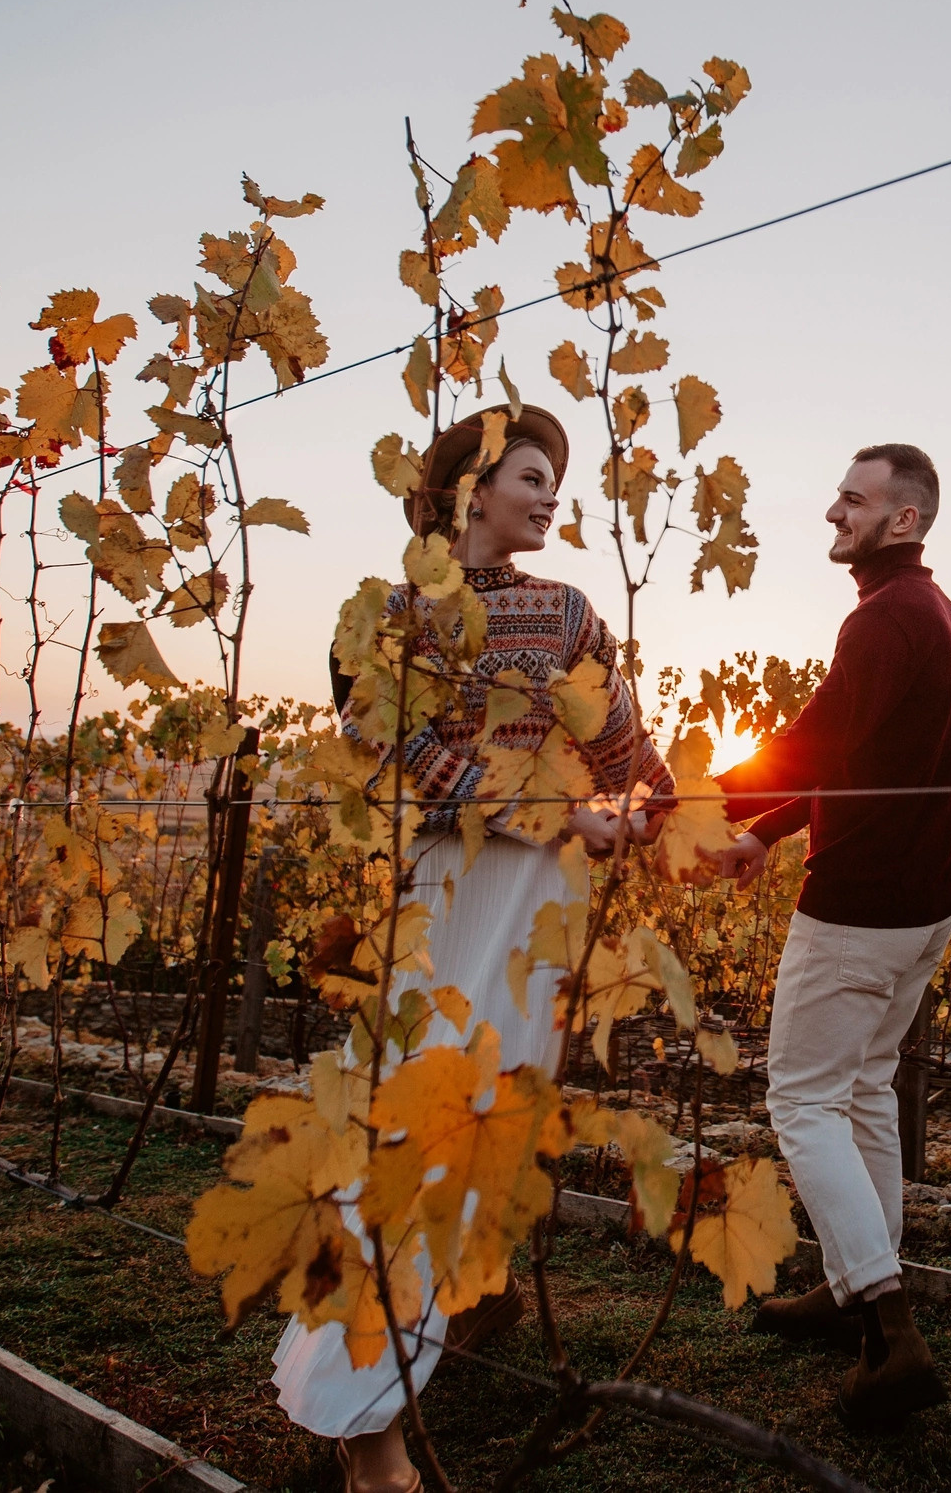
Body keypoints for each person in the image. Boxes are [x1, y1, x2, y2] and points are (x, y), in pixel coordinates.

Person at [276, 403, 669, 1493]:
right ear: (472, 492)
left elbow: (632, 751)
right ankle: (371, 1433)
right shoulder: (398, 615)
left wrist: (683, 825)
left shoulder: (572, 611)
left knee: (486, 1139)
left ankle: (415, 1360)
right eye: (533, 476)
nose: (552, 496)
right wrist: (554, 817)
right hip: (450, 888)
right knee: (409, 1136)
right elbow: (392, 746)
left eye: (557, 479)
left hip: (539, 909)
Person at [710, 443, 951, 1425]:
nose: (833, 512)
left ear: (902, 520)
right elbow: (865, 760)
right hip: (920, 911)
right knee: (862, 1094)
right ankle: (851, 1284)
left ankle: (890, 1327)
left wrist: (706, 804)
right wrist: (767, 832)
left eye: (854, 501)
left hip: (858, 910)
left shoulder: (882, 621)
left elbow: (817, 739)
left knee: (804, 1103)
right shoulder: (935, 615)